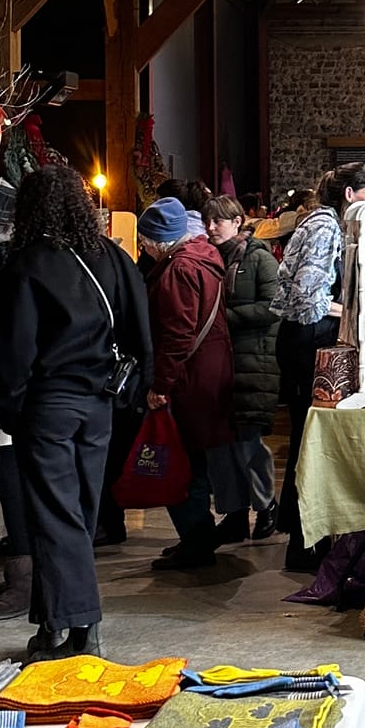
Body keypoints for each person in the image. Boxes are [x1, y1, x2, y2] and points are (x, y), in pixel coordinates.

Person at [0, 165, 149, 657]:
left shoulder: (27, 264)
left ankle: (82, 627)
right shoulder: (113, 257)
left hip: (48, 404)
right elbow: (140, 331)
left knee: (55, 515)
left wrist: (10, 407)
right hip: (100, 404)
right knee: (79, 514)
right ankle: (55, 625)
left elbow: (16, 351)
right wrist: (131, 391)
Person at [275, 165, 365, 571]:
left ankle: (305, 539)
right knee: (311, 438)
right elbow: (308, 299)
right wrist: (354, 313)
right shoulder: (324, 227)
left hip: (307, 340)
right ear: (350, 194)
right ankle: (303, 543)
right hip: (308, 342)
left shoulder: (328, 225)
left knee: (310, 437)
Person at [138, 197, 235, 572]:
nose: (144, 248)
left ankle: (196, 544)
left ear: (158, 240)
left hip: (188, 379)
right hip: (209, 373)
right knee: (193, 461)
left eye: (145, 241)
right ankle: (197, 538)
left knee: (180, 462)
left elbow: (178, 333)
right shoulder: (204, 258)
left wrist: (161, 385)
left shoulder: (178, 269)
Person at [207, 195, 282, 543]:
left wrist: (225, 318)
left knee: (248, 442)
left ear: (237, 222)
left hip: (254, 359)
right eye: (208, 221)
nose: (211, 228)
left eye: (218, 221)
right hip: (220, 361)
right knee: (220, 443)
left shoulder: (258, 258)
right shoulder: (210, 258)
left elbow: (273, 306)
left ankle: (266, 506)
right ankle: (233, 512)